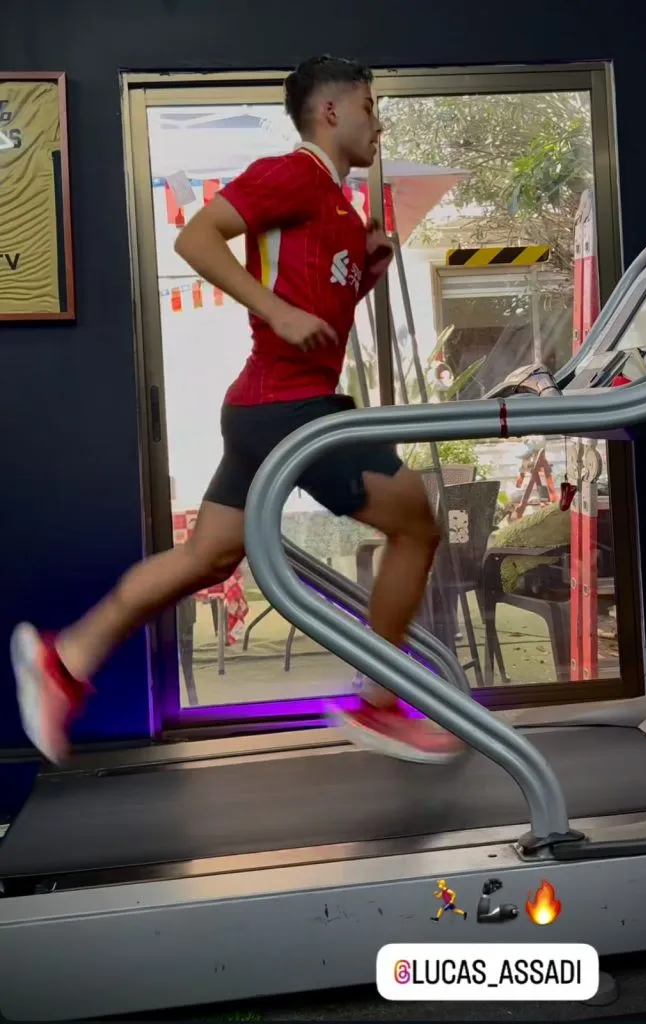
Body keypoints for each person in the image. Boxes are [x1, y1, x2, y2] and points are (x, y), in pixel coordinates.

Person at [11, 55, 463, 766]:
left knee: (206, 556)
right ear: (332, 112)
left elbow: (319, 306)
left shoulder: (340, 209)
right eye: (370, 107)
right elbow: (195, 237)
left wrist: (367, 272)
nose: (379, 122)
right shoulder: (291, 173)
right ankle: (380, 704)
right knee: (416, 524)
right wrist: (276, 310)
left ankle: (65, 659)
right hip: (290, 408)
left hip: (264, 406)